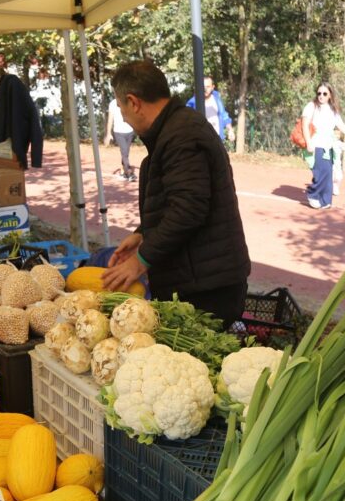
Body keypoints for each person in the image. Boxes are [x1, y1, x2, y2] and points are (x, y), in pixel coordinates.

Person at [102, 61, 251, 324]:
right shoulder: (174, 129)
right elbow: (175, 199)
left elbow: (188, 209)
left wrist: (141, 260)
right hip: (198, 279)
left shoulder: (182, 135)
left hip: (207, 289)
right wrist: (142, 233)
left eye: (121, 107)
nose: (123, 117)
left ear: (133, 102)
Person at [301, 82, 345, 209]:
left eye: (324, 93)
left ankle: (325, 200)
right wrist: (308, 142)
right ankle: (313, 195)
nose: (321, 96)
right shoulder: (311, 106)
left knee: (328, 174)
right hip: (316, 144)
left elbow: (341, 125)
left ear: (330, 95)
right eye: (319, 93)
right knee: (320, 172)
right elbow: (304, 124)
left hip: (329, 146)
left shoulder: (332, 110)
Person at [185, 76, 236, 145]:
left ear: (212, 87)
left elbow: (224, 115)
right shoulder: (192, 103)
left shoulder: (217, 99)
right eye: (203, 87)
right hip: (200, 141)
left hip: (217, 139)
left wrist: (230, 130)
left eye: (208, 86)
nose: (205, 89)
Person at [104, 97, 136, 182]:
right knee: (124, 152)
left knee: (126, 153)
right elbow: (110, 119)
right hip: (118, 132)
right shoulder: (112, 104)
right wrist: (108, 134)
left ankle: (123, 171)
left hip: (130, 131)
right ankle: (129, 173)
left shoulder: (128, 101)